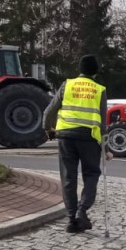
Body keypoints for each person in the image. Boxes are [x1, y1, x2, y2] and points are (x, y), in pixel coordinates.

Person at [44, 54, 111, 234]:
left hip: (66, 136)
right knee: (91, 174)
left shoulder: (67, 85)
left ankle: (71, 220)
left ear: (80, 69)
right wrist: (107, 149)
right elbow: (103, 123)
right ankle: (82, 210)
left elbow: (49, 111)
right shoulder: (99, 90)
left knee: (68, 177)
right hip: (89, 138)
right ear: (95, 72)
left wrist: (48, 129)